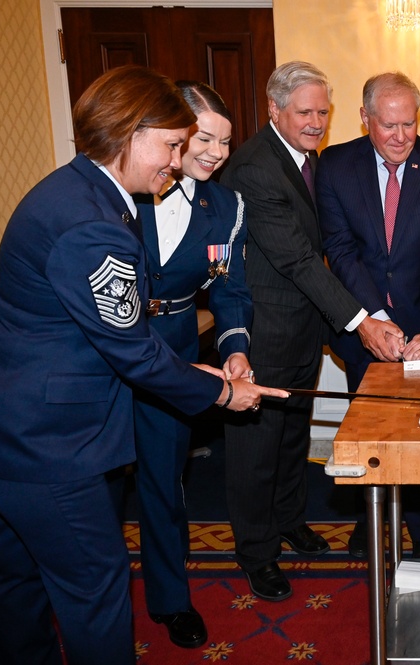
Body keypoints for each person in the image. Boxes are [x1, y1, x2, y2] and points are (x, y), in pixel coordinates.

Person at [0, 65, 283, 665]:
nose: (178, 163)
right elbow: (133, 350)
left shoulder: (74, 188)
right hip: (41, 443)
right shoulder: (96, 225)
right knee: (95, 587)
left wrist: (214, 361)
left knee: (17, 578)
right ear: (131, 132)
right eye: (173, 145)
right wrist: (221, 394)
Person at [221, 61, 403, 602]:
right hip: (265, 331)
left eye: (323, 111)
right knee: (256, 449)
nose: (316, 121)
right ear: (274, 110)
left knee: (291, 435)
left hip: (303, 329)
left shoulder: (308, 160)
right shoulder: (255, 168)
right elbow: (300, 260)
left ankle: (289, 521)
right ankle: (257, 553)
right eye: (304, 112)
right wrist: (360, 320)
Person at [316, 72, 420, 559]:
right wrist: (373, 317)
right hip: (363, 324)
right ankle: (371, 520)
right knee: (369, 428)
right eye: (389, 126)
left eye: (409, 123)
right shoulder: (335, 164)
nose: (401, 136)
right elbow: (340, 250)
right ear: (365, 118)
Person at [131, 81, 253, 649]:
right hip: (102, 347)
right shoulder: (124, 189)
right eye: (204, 138)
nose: (215, 153)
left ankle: (169, 598)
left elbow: (227, 290)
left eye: (225, 143)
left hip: (175, 347)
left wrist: (234, 348)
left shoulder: (224, 207)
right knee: (96, 481)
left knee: (163, 478)